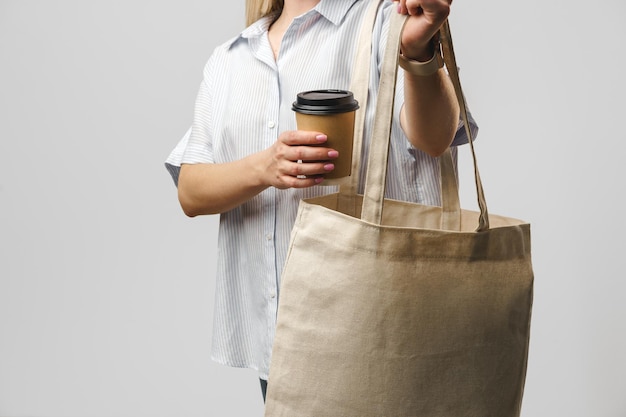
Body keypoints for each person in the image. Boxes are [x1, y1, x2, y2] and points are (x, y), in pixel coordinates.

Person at [165, 0, 477, 402]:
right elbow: (190, 191)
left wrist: (417, 52)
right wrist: (266, 167)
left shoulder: (388, 22)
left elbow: (435, 140)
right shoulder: (230, 58)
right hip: (279, 344)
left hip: (381, 332)